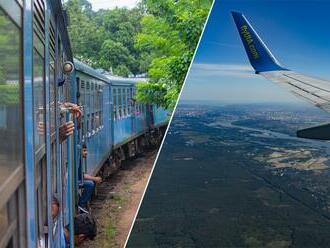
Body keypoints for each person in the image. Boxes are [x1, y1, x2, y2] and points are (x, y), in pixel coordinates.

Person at [78, 144, 102, 210]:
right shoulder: (77, 160)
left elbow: (81, 174)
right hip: (73, 182)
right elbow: (82, 176)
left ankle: (83, 203)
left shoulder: (78, 159)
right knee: (90, 184)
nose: (86, 153)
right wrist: (95, 178)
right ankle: (81, 205)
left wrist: (94, 178)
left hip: (76, 180)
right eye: (84, 151)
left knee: (90, 182)